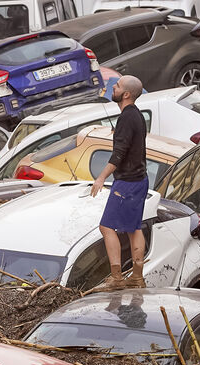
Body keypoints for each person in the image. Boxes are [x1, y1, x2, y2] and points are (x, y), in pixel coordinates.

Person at [90, 75, 148, 291]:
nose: (112, 87)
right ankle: (137, 277)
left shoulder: (126, 118)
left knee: (106, 226)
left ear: (126, 94)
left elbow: (119, 154)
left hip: (127, 182)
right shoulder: (137, 116)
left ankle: (116, 278)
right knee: (134, 227)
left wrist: (101, 177)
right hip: (140, 179)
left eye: (117, 85)